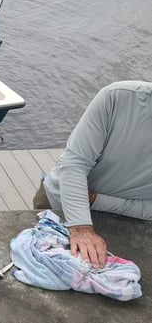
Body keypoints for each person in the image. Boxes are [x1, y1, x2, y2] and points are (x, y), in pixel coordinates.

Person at [32, 80, 152, 268]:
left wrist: (98, 201)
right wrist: (81, 227)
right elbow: (75, 164)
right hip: (60, 201)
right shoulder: (117, 97)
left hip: (128, 221)